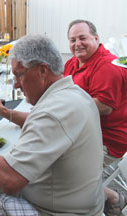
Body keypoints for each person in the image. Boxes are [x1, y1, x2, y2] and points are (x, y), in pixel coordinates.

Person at [0, 34, 104, 215]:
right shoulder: (74, 94)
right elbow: (42, 123)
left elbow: (10, 180)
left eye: (19, 75)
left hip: (55, 211)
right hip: (78, 200)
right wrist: (5, 112)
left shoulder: (52, 113)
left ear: (42, 71)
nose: (16, 84)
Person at [64, 19, 127, 215]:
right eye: (72, 40)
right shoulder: (73, 62)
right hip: (81, 131)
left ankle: (112, 197)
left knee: (61, 170)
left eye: (82, 38)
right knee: (47, 158)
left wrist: (62, 107)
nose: (77, 44)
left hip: (107, 138)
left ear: (96, 38)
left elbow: (104, 106)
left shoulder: (107, 66)